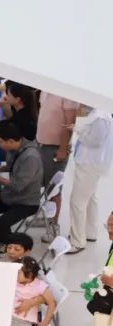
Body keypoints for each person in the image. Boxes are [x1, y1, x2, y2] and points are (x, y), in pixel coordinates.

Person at [0, 122, 43, 251]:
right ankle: (2, 233)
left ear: (10, 141)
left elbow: (18, 185)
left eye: (0, 142)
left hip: (26, 201)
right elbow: (12, 166)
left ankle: (8, 242)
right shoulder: (15, 148)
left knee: (2, 223)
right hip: (10, 195)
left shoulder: (30, 157)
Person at [67, 106, 113, 253]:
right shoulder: (98, 113)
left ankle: (78, 241)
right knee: (91, 198)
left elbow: (95, 141)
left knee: (77, 202)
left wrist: (78, 130)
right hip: (91, 162)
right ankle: (90, 232)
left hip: (89, 163)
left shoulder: (101, 116)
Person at [11, 256, 56, 326]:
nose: (15, 273)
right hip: (7, 317)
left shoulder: (40, 285)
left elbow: (52, 303)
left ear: (30, 275)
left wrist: (45, 323)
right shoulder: (13, 279)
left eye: (18, 272)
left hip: (23, 322)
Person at [36, 92, 79, 194]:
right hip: (40, 144)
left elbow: (70, 123)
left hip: (55, 148)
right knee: (39, 183)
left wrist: (63, 149)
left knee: (53, 190)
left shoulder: (67, 93)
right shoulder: (45, 90)